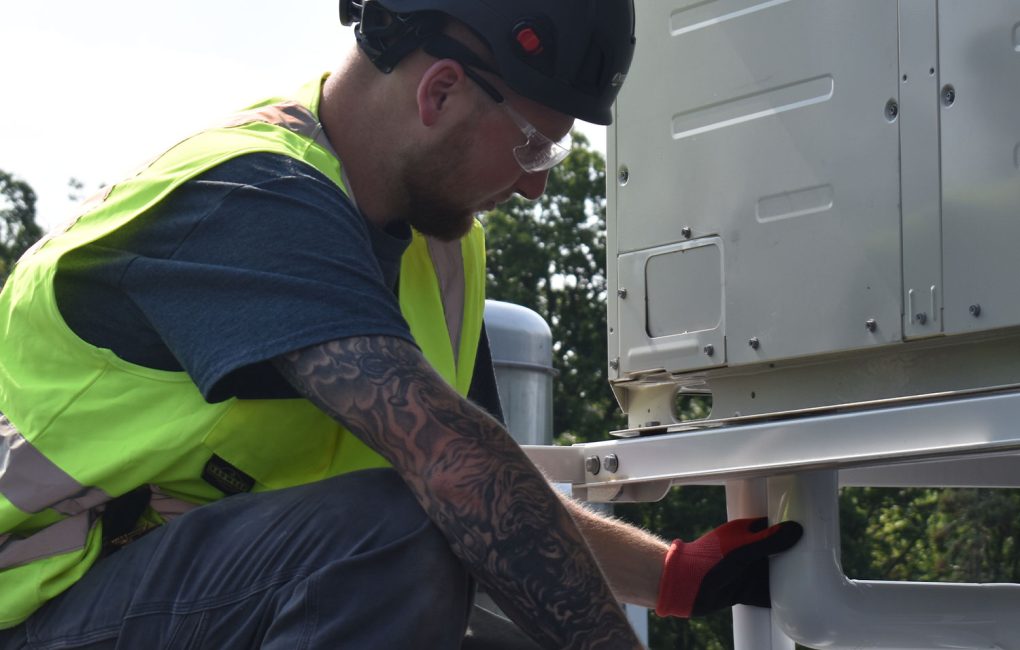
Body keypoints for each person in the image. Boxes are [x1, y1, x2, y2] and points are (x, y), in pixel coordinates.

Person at [0, 1, 802, 647]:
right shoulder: (251, 199)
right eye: (532, 144)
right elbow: (451, 480)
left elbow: (486, 495)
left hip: (169, 600)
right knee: (400, 547)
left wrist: (667, 578)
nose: (534, 188)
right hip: (36, 610)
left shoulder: (441, 254)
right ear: (440, 90)